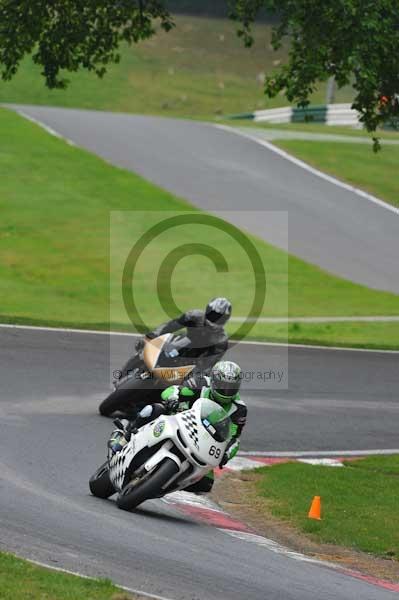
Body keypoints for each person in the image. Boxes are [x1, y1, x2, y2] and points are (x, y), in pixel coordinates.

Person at [108, 360, 247, 493]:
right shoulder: (201, 382)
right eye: (223, 385)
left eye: (231, 387)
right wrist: (173, 399)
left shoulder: (239, 409)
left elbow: (234, 438)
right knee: (154, 409)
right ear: (214, 381)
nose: (226, 391)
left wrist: (226, 455)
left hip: (203, 440)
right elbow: (175, 390)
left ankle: (162, 484)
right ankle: (124, 438)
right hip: (178, 419)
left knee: (205, 484)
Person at [118, 297, 232, 381]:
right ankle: (121, 377)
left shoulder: (221, 340)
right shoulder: (195, 316)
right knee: (145, 350)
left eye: (218, 317)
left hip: (196, 361)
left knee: (190, 385)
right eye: (212, 314)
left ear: (225, 320)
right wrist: (151, 336)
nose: (214, 318)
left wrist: (195, 374)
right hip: (183, 343)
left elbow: (208, 364)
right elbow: (171, 326)